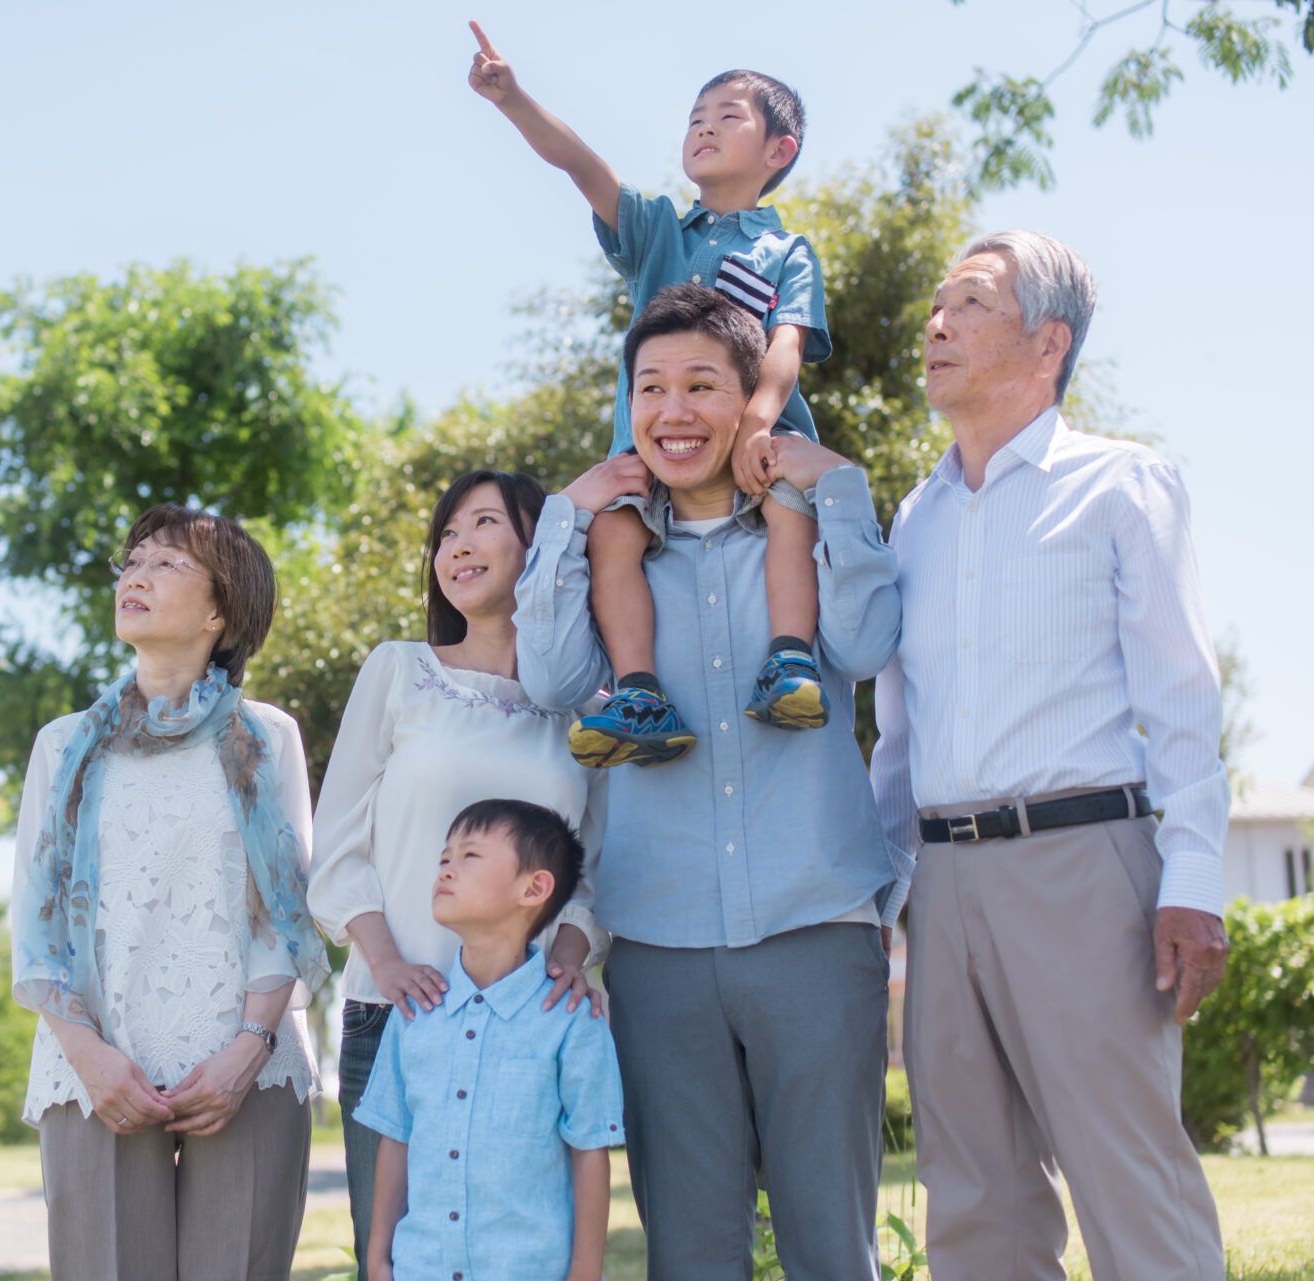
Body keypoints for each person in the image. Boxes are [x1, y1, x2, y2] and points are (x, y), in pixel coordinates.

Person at [515, 283, 902, 1280]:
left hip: (816, 927)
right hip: (660, 945)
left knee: (832, 1248)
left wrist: (841, 487)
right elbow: (553, 679)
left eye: (700, 386)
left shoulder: (802, 533)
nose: (673, 412)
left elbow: (866, 641)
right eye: (650, 388)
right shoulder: (614, 557)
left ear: (749, 404)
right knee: (689, 1254)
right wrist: (565, 513)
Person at [870, 231, 1229, 1281]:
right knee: (973, 1195)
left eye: (971, 303)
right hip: (944, 885)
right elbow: (898, 739)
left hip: (1087, 864)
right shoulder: (914, 519)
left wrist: (1195, 880)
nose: (937, 323)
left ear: (1049, 341)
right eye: (937, 303)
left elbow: (1182, 698)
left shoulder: (1123, 485)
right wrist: (883, 900)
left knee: (1128, 1178)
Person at [469, 22, 835, 767]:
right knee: (613, 535)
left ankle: (791, 658)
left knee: (792, 510)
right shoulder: (660, 231)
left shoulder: (786, 251)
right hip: (649, 450)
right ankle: (639, 691)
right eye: (695, 118)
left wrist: (759, 426)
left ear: (778, 151)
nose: (703, 128)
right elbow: (580, 165)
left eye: (727, 116)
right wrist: (513, 99)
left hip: (756, 441)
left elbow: (788, 346)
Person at [9, 505, 330, 1281]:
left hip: (245, 1061)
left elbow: (283, 906)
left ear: (221, 610)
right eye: (132, 561)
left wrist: (247, 1049)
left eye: (166, 563)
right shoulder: (64, 744)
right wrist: (85, 1051)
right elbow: (35, 916)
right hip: (94, 1062)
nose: (136, 575)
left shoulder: (266, 734)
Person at [309, 469, 608, 1281]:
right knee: (402, 1261)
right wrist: (387, 961)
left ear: (540, 546)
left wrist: (572, 958)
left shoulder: (587, 707)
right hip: (396, 1017)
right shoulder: (398, 670)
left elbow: (595, 868)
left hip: (528, 1031)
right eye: (446, 533)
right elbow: (337, 847)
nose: (458, 546)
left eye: (483, 523)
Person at [356, 799, 625, 1281]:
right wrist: (378, 1259)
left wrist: (584, 1275)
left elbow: (590, 1154)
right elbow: (396, 1138)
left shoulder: (570, 1021)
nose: (446, 870)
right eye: (444, 858)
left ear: (534, 888)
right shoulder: (414, 1013)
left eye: (469, 857)